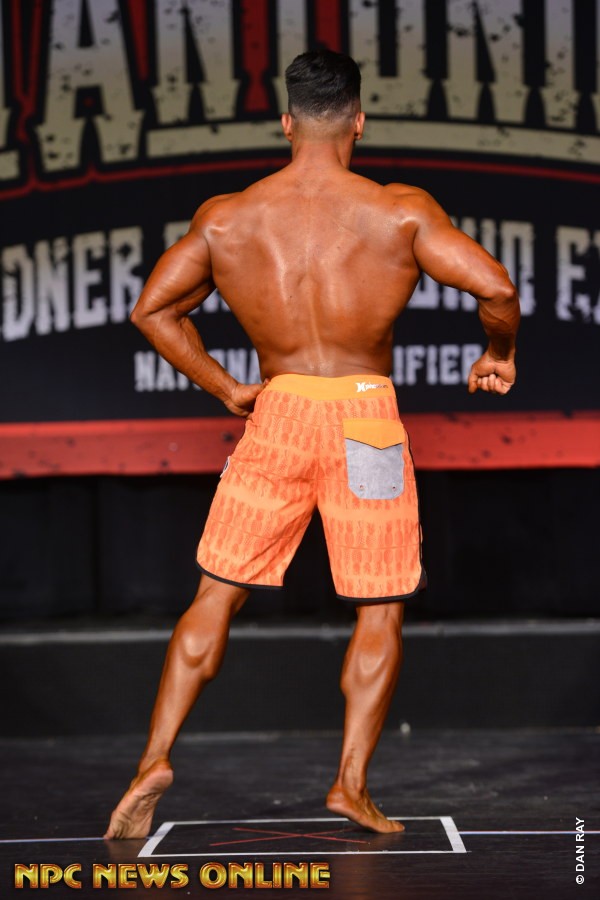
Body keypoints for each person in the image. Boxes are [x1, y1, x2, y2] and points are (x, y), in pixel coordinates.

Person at [104, 49, 520, 840]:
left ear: (285, 123)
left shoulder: (228, 217)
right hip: (367, 422)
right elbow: (496, 287)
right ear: (359, 121)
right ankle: (350, 785)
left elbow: (153, 310)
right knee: (379, 608)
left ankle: (152, 760)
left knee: (215, 594)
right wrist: (498, 353)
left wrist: (227, 389)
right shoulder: (399, 211)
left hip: (280, 413)